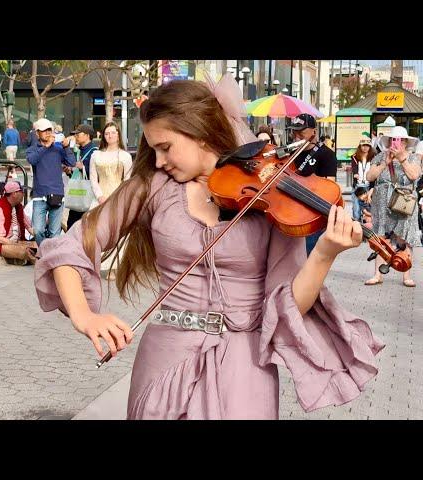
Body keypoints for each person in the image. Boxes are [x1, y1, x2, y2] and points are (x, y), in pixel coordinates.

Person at [34, 75, 383, 420]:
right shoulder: (151, 187)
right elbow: (71, 247)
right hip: (165, 359)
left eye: (165, 147)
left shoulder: (271, 192)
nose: (158, 161)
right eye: (153, 149)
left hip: (243, 368)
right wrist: (84, 315)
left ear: (199, 132)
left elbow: (288, 304)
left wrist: (323, 254)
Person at [364, 126, 421, 287]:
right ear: (389, 141)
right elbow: (369, 176)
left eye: (400, 140)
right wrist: (384, 164)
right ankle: (377, 275)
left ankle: (406, 275)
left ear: (405, 142)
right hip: (382, 203)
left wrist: (402, 159)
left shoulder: (414, 158)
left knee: (404, 238)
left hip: (404, 203)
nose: (396, 143)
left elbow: (414, 175)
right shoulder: (381, 156)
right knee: (381, 237)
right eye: (393, 140)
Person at [289, 113, 338, 255]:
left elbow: (329, 188)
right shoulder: (290, 153)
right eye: (294, 131)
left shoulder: (326, 154)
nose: (297, 135)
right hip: (291, 211)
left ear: (314, 131)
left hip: (312, 214)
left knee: (308, 256)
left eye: (302, 132)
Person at [89, 121, 133, 279]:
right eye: (107, 133)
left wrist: (120, 198)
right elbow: (93, 179)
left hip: (118, 199)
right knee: (97, 233)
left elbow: (127, 180)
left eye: (113, 133)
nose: (110, 136)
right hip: (99, 199)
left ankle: (115, 267)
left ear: (118, 134)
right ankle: (96, 264)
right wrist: (100, 196)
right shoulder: (96, 155)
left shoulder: (125, 156)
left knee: (117, 233)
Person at [27, 118, 76, 246]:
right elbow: (32, 160)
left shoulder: (58, 148)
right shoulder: (33, 148)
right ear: (37, 133)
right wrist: (45, 147)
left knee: (55, 233)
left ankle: (49, 259)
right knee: (37, 230)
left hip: (57, 194)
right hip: (39, 196)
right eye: (44, 131)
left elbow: (71, 162)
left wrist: (66, 147)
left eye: (49, 130)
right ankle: (45, 253)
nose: (48, 133)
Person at [0, 181, 36, 265]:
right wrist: (17, 245)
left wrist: (42, 238)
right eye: (21, 192)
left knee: (39, 245)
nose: (23, 194)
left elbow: (29, 227)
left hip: (16, 241)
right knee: (24, 251)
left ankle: (21, 258)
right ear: (14, 194)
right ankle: (30, 260)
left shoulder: (18, 207)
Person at [66, 124, 98, 230]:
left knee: (87, 228)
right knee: (71, 226)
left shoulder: (94, 151)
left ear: (87, 135)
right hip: (76, 197)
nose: (76, 137)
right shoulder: (77, 151)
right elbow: (75, 173)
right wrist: (69, 171)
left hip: (88, 197)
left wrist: (82, 168)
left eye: (78, 134)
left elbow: (96, 175)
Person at [350, 137, 376, 222]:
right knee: (356, 209)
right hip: (358, 186)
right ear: (360, 146)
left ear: (370, 147)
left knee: (368, 208)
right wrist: (355, 174)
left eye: (367, 146)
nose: (365, 148)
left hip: (369, 186)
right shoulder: (355, 157)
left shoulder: (374, 157)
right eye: (363, 145)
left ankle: (366, 228)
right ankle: (356, 226)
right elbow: (354, 167)